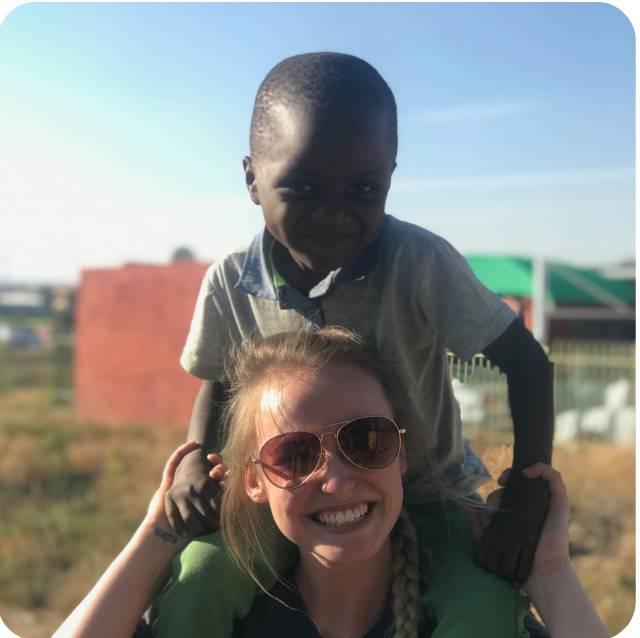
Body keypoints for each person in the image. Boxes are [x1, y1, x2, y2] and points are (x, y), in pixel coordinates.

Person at [164, 52, 555, 635]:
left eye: (363, 188)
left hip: (429, 497)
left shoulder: (420, 263)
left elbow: (526, 362)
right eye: (302, 186)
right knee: (196, 581)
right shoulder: (229, 280)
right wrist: (196, 458)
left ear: (391, 176)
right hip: (292, 496)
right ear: (252, 178)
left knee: (485, 606)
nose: (333, 212)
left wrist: (526, 496)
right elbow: (221, 379)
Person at [52, 329, 607, 638]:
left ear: (403, 451)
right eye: (293, 454)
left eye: (367, 440)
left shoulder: (467, 616)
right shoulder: (226, 620)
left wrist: (552, 576)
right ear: (253, 482)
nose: (338, 481)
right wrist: (156, 536)